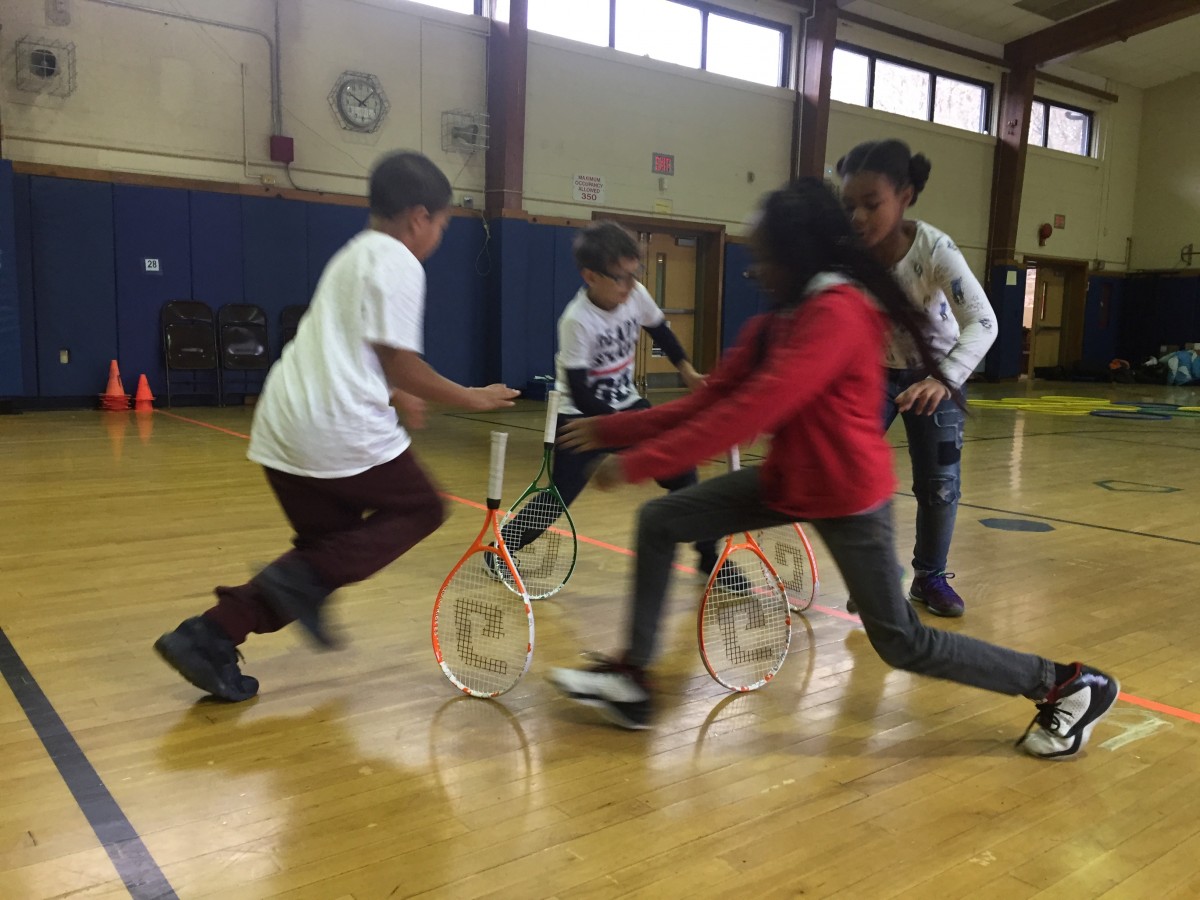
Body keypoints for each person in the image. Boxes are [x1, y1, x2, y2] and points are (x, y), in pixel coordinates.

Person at [546, 178, 1118, 761]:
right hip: (792, 480)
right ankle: (633, 681)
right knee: (662, 520)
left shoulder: (838, 313)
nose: (758, 269)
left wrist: (641, 461)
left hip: (847, 494)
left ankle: (1066, 684)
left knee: (902, 644)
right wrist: (615, 430)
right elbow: (714, 397)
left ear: (795, 254)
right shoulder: (782, 318)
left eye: (765, 256)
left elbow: (753, 410)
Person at [154, 150, 520, 702]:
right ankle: (287, 594)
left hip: (282, 423)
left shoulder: (353, 254)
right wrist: (469, 397)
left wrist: (395, 392)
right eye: (443, 224)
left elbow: (357, 347)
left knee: (324, 554)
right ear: (420, 217)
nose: (439, 235)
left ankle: (209, 635)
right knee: (421, 508)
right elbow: (400, 360)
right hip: (334, 424)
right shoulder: (399, 262)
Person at [491, 220, 724, 580]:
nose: (631, 287)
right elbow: (581, 390)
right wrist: (620, 430)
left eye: (635, 274)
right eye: (621, 278)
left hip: (627, 405)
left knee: (683, 473)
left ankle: (710, 558)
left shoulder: (635, 295)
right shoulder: (577, 320)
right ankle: (500, 552)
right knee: (558, 498)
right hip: (579, 417)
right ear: (590, 276)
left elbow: (660, 329)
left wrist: (687, 371)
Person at [837, 139, 995, 618]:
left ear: (905, 196)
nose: (858, 217)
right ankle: (877, 577)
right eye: (849, 206)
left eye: (871, 204)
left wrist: (943, 379)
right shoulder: (848, 254)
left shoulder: (934, 249)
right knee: (855, 475)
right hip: (873, 372)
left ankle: (930, 577)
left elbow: (984, 322)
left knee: (940, 484)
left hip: (936, 372)